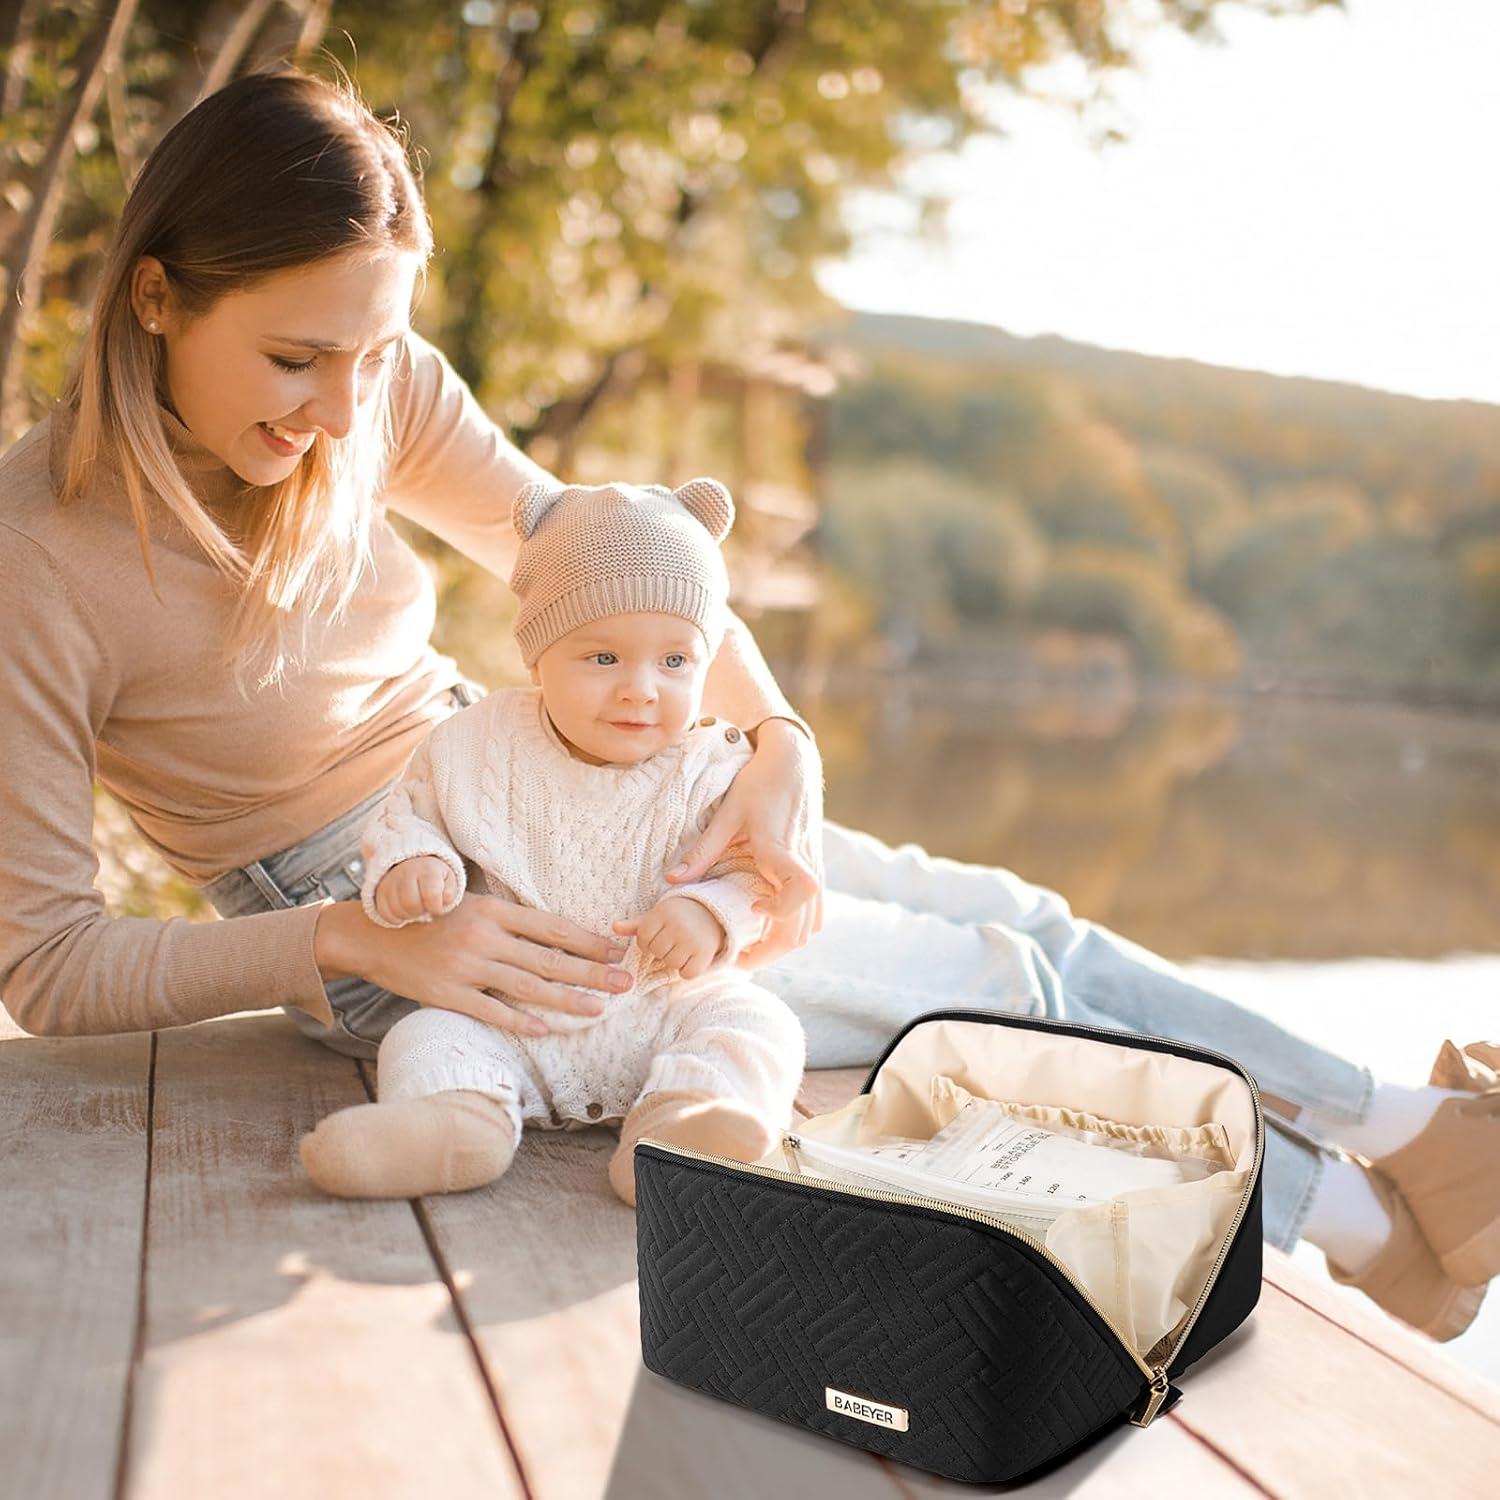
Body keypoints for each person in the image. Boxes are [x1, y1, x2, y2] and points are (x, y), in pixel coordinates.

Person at [0, 68, 1494, 1344]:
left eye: (374, 354)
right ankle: (1378, 1215)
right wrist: (343, 937)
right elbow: (47, 967)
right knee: (990, 983)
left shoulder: (376, 392)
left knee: (1026, 919)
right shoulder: (35, 559)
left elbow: (611, 553)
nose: (341, 411)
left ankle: (1404, 1142)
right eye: (295, 358)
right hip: (442, 910)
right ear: (154, 296)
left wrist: (779, 744)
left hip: (575, 766)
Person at [299, 476, 806, 1205]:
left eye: (675, 662)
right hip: (509, 1014)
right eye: (603, 659)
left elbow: (752, 876)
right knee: (426, 1034)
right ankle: (451, 1124)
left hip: (661, 1009)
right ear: (537, 658)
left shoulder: (715, 765)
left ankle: (680, 1134)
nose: (640, 688)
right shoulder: (476, 744)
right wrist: (415, 863)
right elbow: (408, 813)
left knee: (757, 1021)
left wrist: (711, 913)